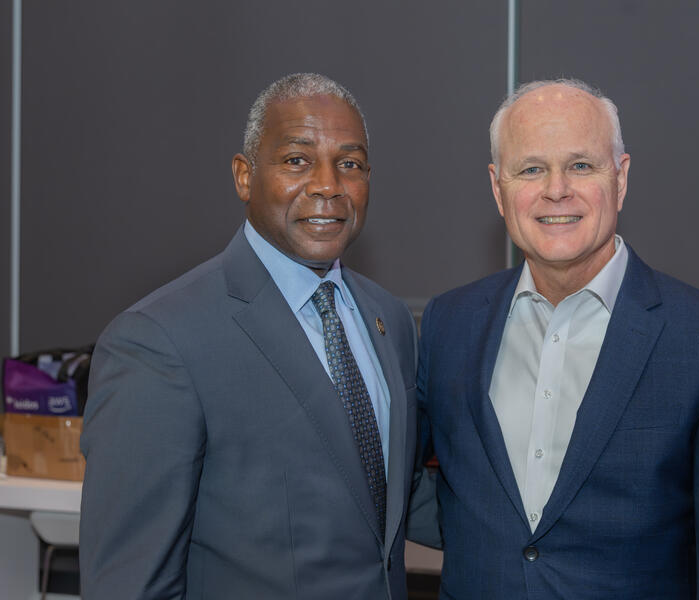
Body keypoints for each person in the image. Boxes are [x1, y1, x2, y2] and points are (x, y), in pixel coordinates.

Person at [415, 79, 699, 598]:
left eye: (581, 165)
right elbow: (404, 488)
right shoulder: (449, 324)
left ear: (621, 178)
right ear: (498, 189)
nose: (556, 189)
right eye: (531, 169)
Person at [80, 73, 436, 600]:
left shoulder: (390, 319)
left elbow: (389, 492)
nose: (328, 185)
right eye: (297, 160)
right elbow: (129, 583)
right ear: (244, 177)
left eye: (350, 164)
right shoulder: (160, 340)